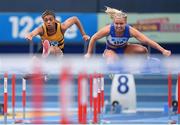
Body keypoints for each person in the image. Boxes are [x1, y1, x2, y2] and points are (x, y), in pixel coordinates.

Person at [85, 7, 171, 60]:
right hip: (110, 50)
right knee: (112, 60)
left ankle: (146, 63)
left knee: (143, 50)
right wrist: (89, 53)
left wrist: (163, 50)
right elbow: (93, 38)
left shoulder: (130, 30)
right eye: (116, 24)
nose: (118, 26)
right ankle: (112, 71)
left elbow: (147, 41)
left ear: (126, 23)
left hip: (125, 49)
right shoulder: (108, 30)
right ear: (113, 22)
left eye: (121, 24)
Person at [25, 10, 90, 57]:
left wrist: (83, 34)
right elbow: (32, 33)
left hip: (59, 51)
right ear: (43, 21)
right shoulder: (41, 29)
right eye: (46, 20)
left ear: (55, 20)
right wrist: (30, 36)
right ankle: (45, 54)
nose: (48, 22)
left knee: (53, 49)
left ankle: (46, 54)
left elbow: (75, 19)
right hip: (43, 50)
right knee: (32, 65)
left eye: (51, 19)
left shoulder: (62, 27)